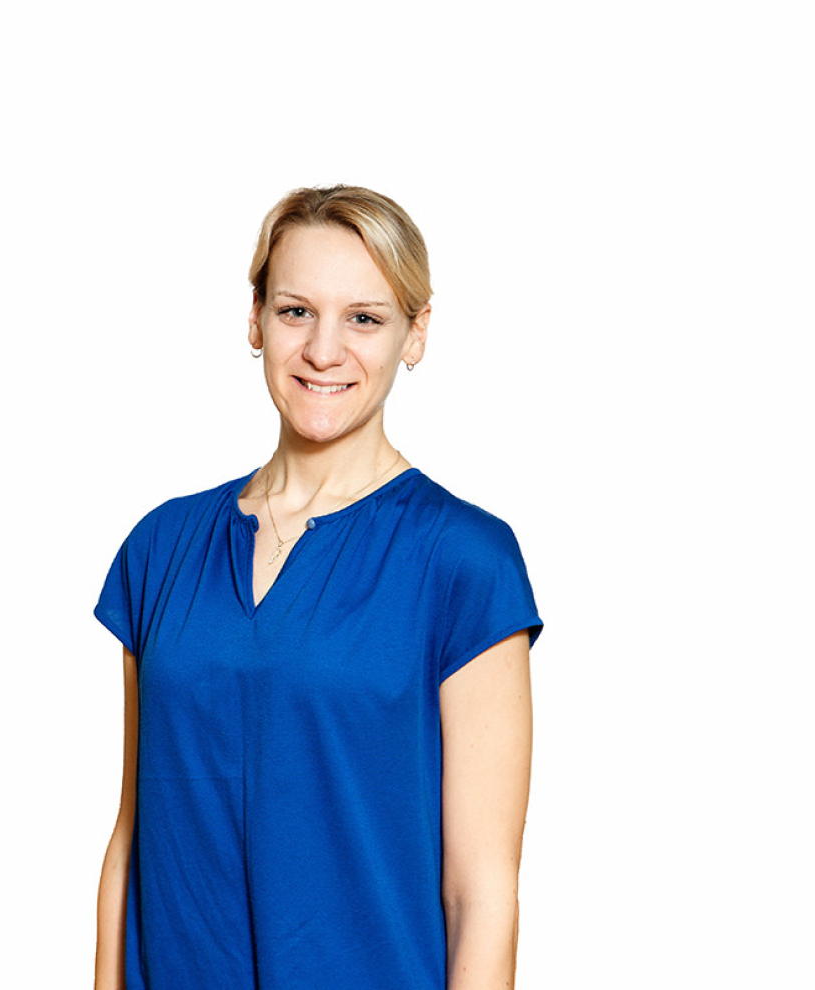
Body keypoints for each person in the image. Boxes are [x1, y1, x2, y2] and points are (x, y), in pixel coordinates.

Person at [93, 185, 543, 990]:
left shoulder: (465, 561)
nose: (323, 351)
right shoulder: (159, 549)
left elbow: (482, 893)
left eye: (364, 318)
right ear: (256, 319)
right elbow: (132, 838)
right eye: (297, 311)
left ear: (416, 333)